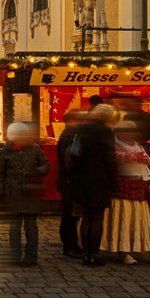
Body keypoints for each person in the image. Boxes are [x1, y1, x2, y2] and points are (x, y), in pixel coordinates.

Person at [101, 121, 150, 266]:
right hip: (123, 188)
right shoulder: (114, 144)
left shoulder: (137, 145)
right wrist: (132, 156)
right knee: (124, 219)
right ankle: (125, 251)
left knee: (145, 222)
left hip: (142, 186)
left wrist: (144, 158)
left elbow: (148, 159)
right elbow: (116, 156)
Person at [65, 104, 117, 268]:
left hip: (82, 179)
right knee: (97, 218)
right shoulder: (106, 132)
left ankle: (85, 254)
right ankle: (94, 254)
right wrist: (113, 180)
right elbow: (110, 158)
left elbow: (74, 153)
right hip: (100, 180)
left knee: (86, 218)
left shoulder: (82, 129)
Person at [0, 122, 49, 267]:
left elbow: (46, 165)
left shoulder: (35, 149)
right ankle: (15, 254)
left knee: (31, 227)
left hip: (31, 193)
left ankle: (31, 256)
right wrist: (0, 191)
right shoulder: (5, 152)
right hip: (13, 192)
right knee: (15, 227)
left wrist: (38, 171)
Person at [55, 110, 85, 258]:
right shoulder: (71, 136)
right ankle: (69, 245)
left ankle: (71, 244)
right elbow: (72, 159)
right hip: (70, 180)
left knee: (70, 214)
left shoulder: (69, 134)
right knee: (70, 215)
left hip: (67, 180)